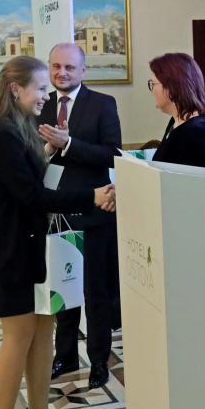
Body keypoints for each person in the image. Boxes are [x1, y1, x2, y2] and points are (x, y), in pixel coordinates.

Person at [0, 55, 116, 409]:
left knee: (44, 329)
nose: (47, 95)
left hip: (29, 245)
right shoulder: (2, 132)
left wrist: (46, 153)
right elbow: (31, 195)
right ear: (17, 90)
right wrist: (91, 196)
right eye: (41, 88)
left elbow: (29, 180)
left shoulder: (19, 126)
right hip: (4, 251)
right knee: (19, 335)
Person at [38, 43, 122, 390]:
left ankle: (99, 360)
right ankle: (65, 355)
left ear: (83, 70)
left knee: (95, 290)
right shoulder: (40, 104)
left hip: (95, 210)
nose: (62, 73)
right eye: (56, 66)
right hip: (55, 210)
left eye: (70, 67)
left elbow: (112, 154)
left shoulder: (103, 104)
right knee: (63, 286)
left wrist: (69, 144)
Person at [148, 53, 205, 169]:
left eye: (153, 84)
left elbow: (202, 178)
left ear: (172, 88)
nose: (152, 90)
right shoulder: (177, 121)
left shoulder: (197, 132)